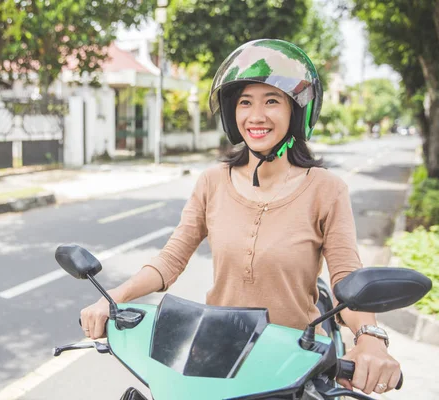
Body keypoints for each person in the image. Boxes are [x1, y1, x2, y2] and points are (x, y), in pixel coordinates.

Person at [79, 39, 400, 396]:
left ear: (297, 111)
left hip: (293, 366)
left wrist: (370, 337)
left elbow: (348, 281)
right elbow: (170, 260)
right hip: (215, 361)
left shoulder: (326, 189)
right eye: (245, 102)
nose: (256, 116)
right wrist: (111, 299)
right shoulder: (212, 182)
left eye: (272, 101)